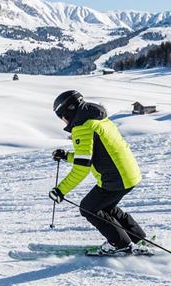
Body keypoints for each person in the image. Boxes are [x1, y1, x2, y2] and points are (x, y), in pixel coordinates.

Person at [48, 90, 147, 256]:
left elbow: (82, 167)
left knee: (88, 208)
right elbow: (91, 156)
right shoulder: (96, 119)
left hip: (116, 178)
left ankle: (120, 245)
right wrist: (67, 156)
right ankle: (138, 239)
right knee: (106, 208)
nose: (62, 120)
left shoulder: (82, 127)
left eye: (61, 116)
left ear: (69, 110)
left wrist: (60, 190)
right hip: (128, 173)